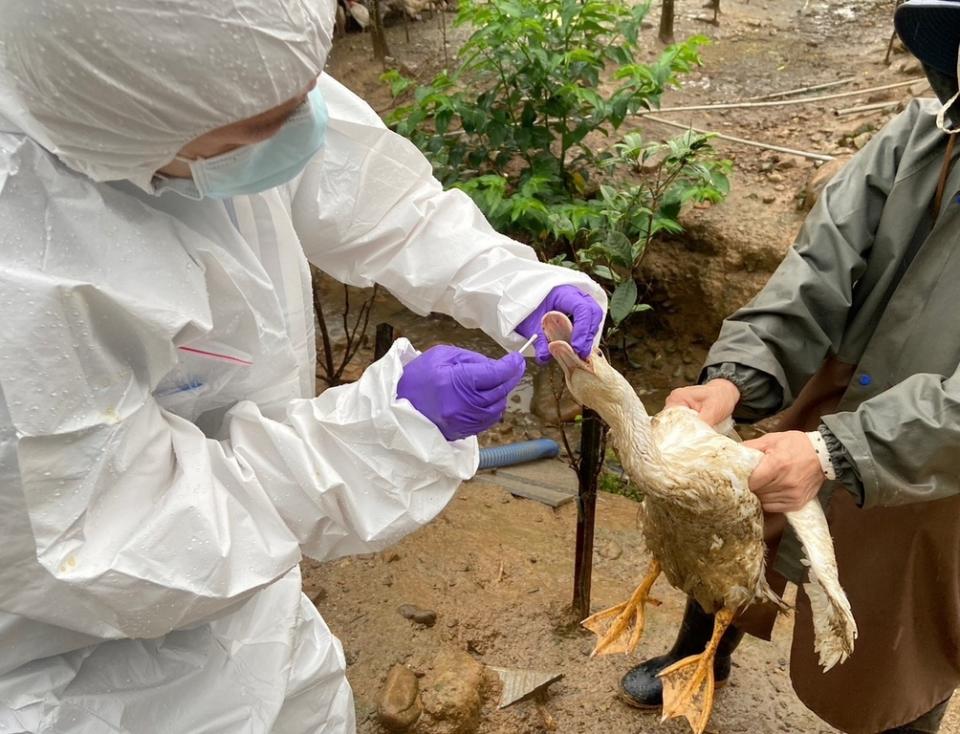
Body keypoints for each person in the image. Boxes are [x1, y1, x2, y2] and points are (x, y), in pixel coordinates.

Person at [0, 1, 606, 731]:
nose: (303, 128)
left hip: (256, 615)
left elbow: (368, 193)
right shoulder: (27, 272)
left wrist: (512, 284)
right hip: (87, 681)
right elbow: (124, 544)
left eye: (305, 90)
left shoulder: (205, 97)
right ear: (133, 119)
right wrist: (383, 432)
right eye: (265, 125)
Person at [618, 4, 960, 733]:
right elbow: (816, 272)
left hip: (943, 459)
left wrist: (841, 451)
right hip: (845, 386)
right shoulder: (918, 138)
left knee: (903, 628)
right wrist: (733, 380)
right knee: (738, 521)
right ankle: (699, 657)